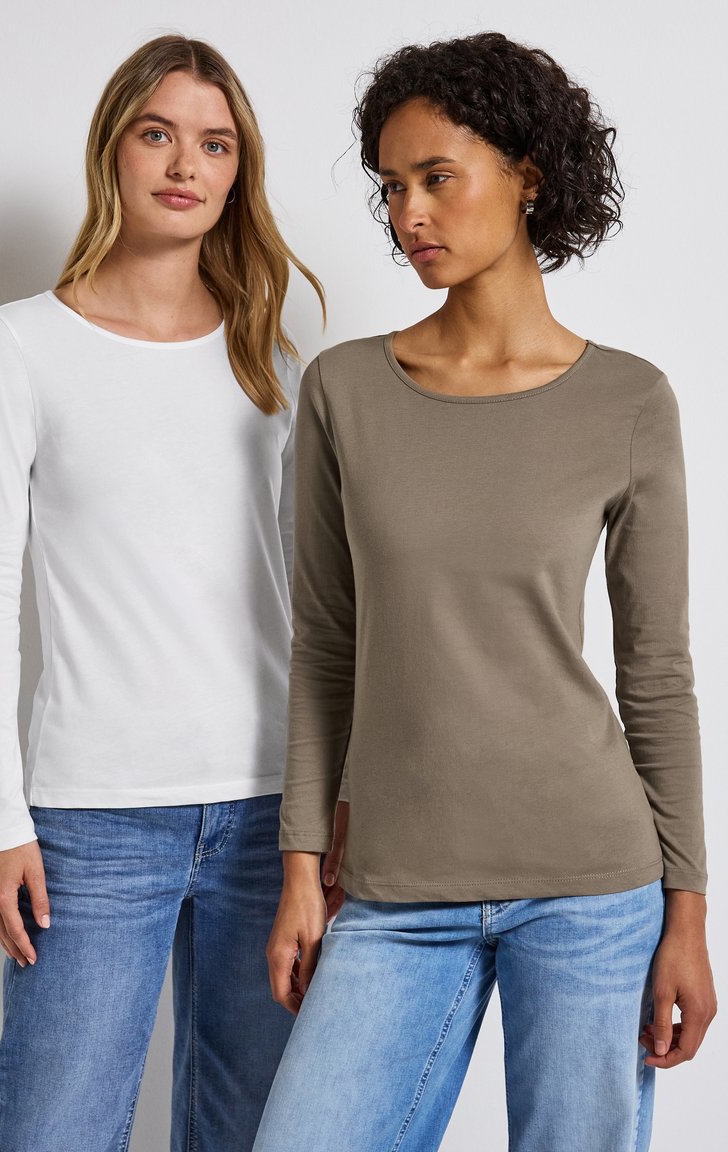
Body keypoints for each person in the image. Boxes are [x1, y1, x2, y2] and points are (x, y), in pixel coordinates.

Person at [252, 32, 717, 1152]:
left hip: (591, 890)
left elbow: (655, 672)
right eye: (390, 187)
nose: (408, 213)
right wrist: (302, 870)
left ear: (528, 178)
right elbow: (325, 644)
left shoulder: (627, 402)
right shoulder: (346, 391)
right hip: (393, 889)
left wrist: (688, 915)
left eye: (435, 178)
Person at [0, 33, 334, 1152]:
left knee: (251, 1131)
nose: (184, 164)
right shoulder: (23, 344)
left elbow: (313, 605)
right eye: (158, 133)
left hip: (268, 816)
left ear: (238, 171)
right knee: (53, 1131)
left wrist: (324, 812)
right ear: (113, 149)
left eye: (215, 144)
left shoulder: (270, 360)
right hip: (91, 820)